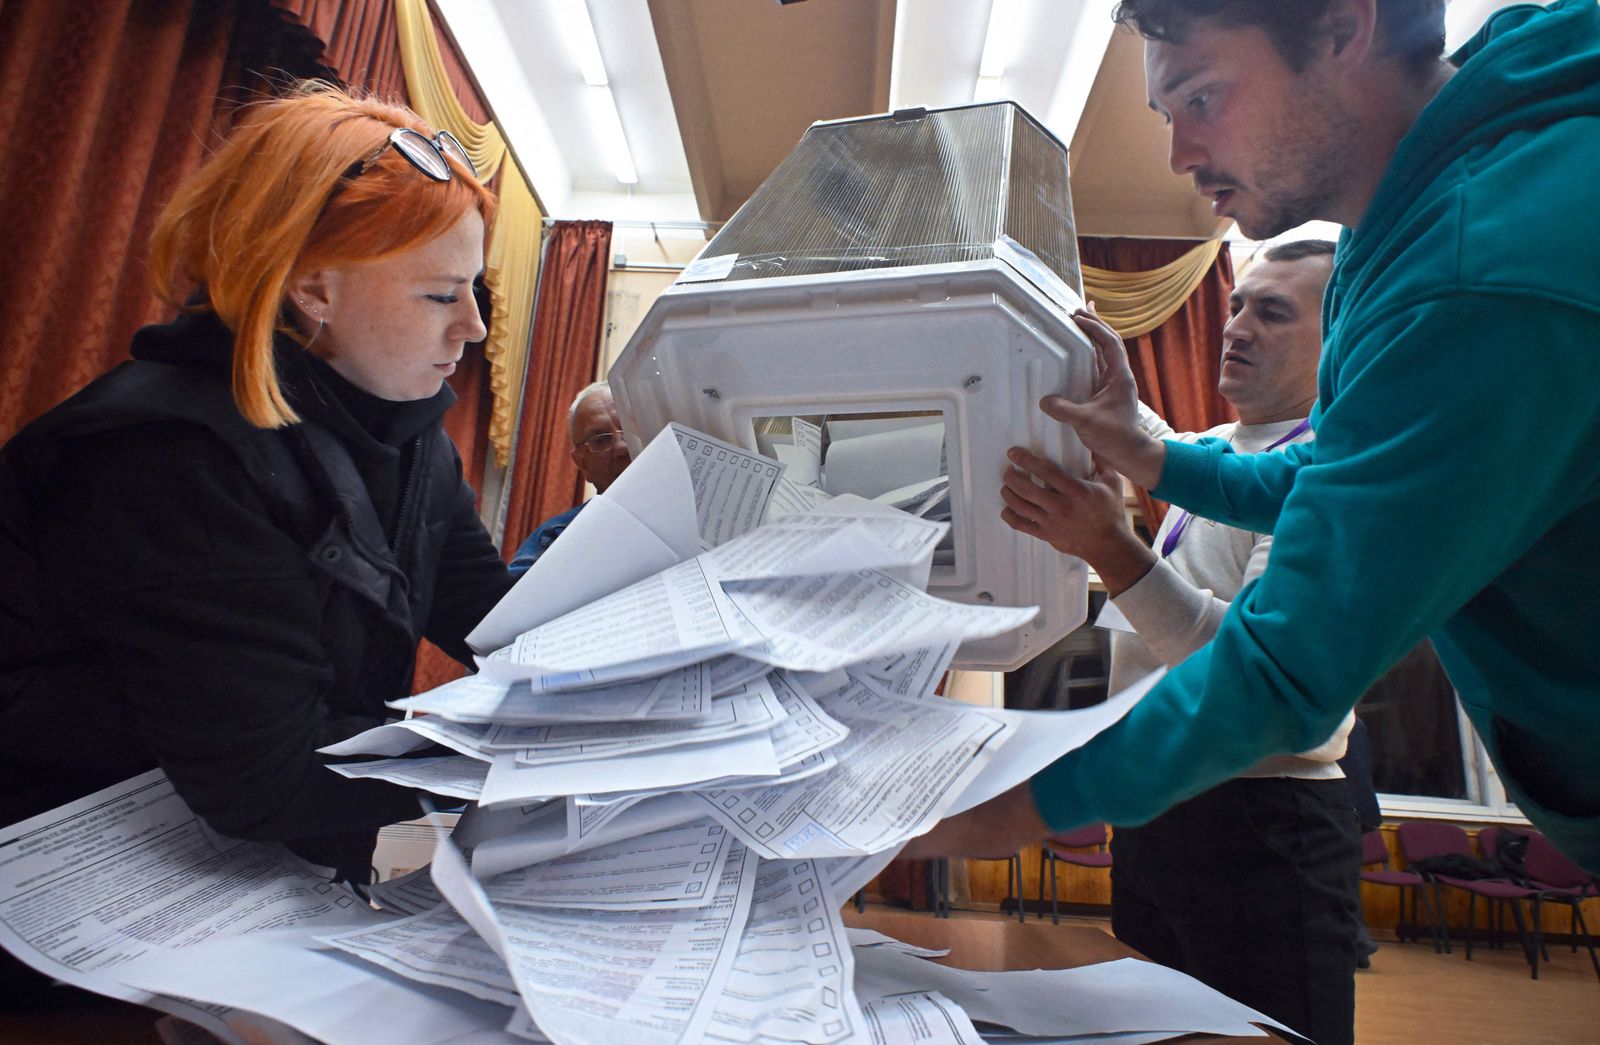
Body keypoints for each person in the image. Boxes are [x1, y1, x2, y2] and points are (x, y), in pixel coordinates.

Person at [908, 0, 1600, 875]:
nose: (1179, 155)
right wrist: (1149, 452)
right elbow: (1332, 471)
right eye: (1168, 115)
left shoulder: (1471, 276)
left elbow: (1283, 674)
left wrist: (980, 816)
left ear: (1343, 29)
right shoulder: (1404, 224)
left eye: (1202, 98)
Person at [0, 84, 515, 900]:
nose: (474, 330)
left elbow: (499, 619)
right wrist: (531, 748)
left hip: (238, 865)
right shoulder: (166, 456)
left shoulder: (409, 440)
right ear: (314, 289)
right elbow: (267, 777)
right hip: (72, 884)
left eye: (474, 291)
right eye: (439, 294)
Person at [1031, 241, 1361, 1044]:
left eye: (1273, 311)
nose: (1235, 327)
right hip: (1160, 804)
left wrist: (1114, 549)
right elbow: (1150, 432)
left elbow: (1246, 667)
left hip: (1263, 820)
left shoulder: (1333, 473)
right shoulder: (1224, 446)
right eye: (1237, 305)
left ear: (1341, 340)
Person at [508, 381, 631, 576]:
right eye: (601, 440)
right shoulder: (555, 539)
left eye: (630, 429)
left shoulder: (693, 510)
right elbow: (508, 602)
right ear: (582, 464)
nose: (622, 448)